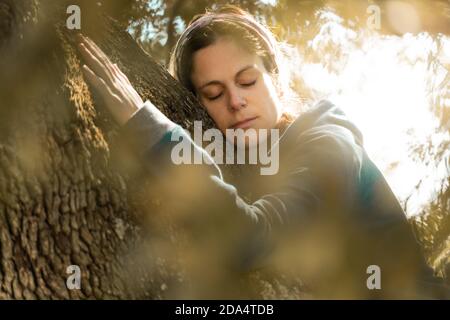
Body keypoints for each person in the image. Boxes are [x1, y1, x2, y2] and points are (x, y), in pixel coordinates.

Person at [76, 6, 448, 299]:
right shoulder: (243, 167)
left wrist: (148, 128)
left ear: (276, 77)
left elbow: (248, 238)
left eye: (248, 81)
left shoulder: (328, 141)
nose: (236, 102)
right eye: (214, 94)